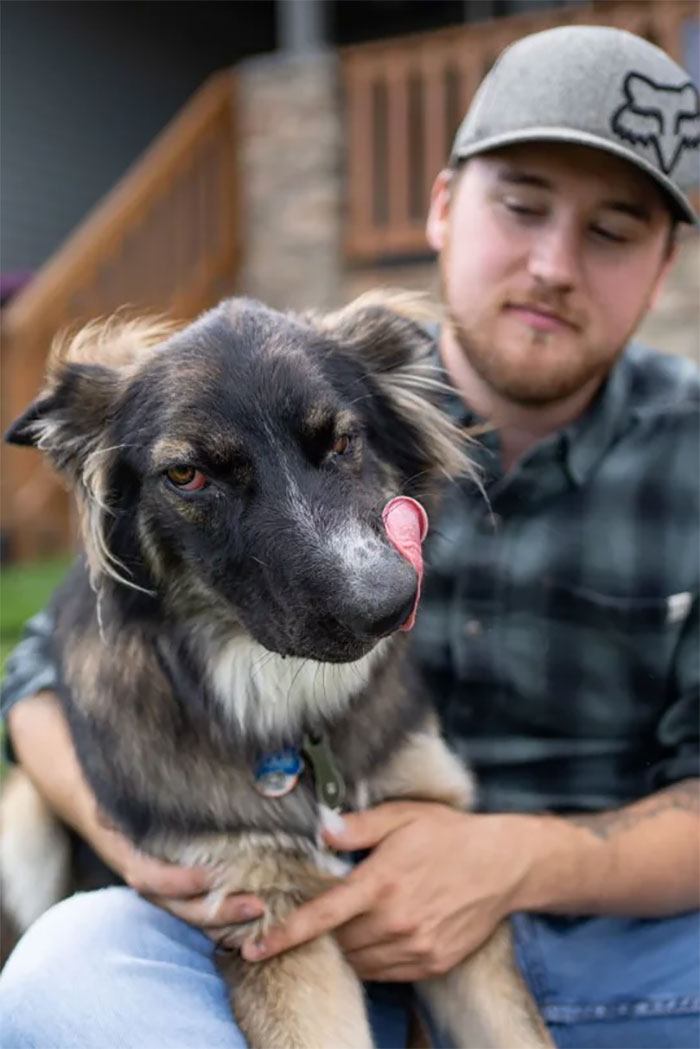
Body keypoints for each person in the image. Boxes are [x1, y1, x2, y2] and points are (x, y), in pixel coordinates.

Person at [1, 23, 698, 1049]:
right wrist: (140, 842)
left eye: (612, 229)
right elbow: (45, 670)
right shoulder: (298, 385)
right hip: (283, 927)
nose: (553, 264)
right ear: (443, 206)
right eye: (521, 205)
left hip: (602, 940)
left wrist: (515, 860)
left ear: (664, 261)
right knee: (64, 979)